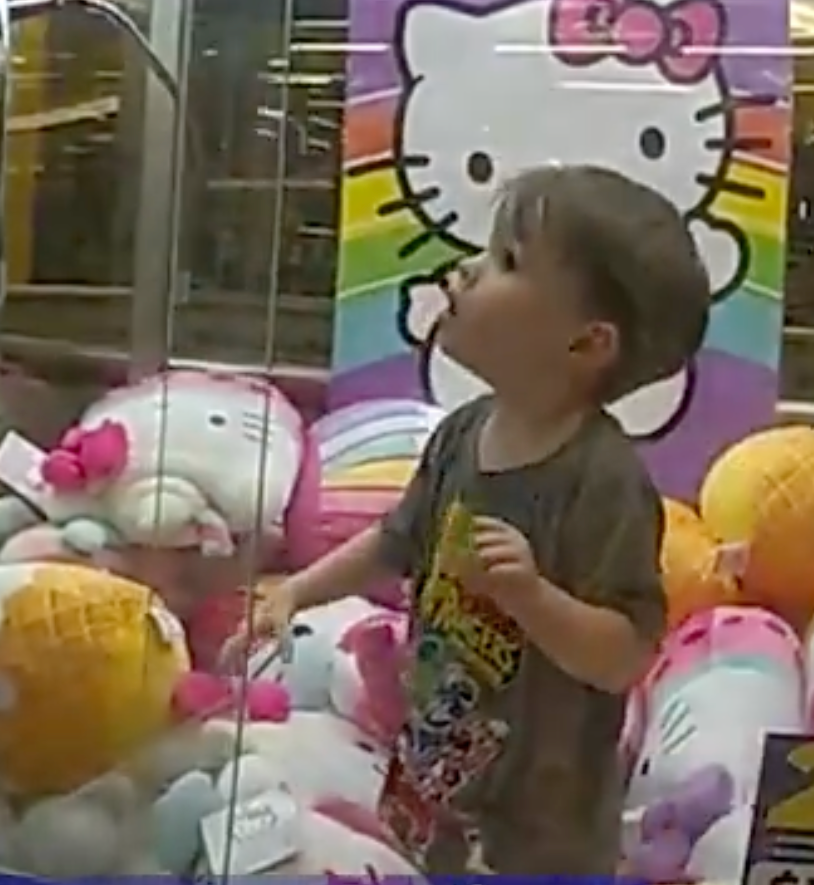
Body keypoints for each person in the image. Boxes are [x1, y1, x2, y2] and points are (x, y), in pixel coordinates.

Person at [228, 163, 707, 875]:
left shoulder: (602, 480)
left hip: (542, 833)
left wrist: (532, 597)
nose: (465, 270)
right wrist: (295, 592)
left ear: (586, 344)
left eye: (507, 261)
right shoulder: (462, 432)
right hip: (434, 771)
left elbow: (625, 655)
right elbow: (395, 539)